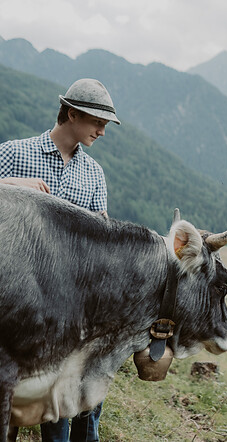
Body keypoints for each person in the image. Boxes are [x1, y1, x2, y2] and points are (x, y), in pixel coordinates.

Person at [0, 78, 120, 441]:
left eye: (104, 124)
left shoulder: (93, 174)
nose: (102, 130)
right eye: (96, 121)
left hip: (68, 311)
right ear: (71, 113)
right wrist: (15, 185)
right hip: (17, 303)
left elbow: (102, 245)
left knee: (60, 410)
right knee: (10, 391)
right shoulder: (15, 153)